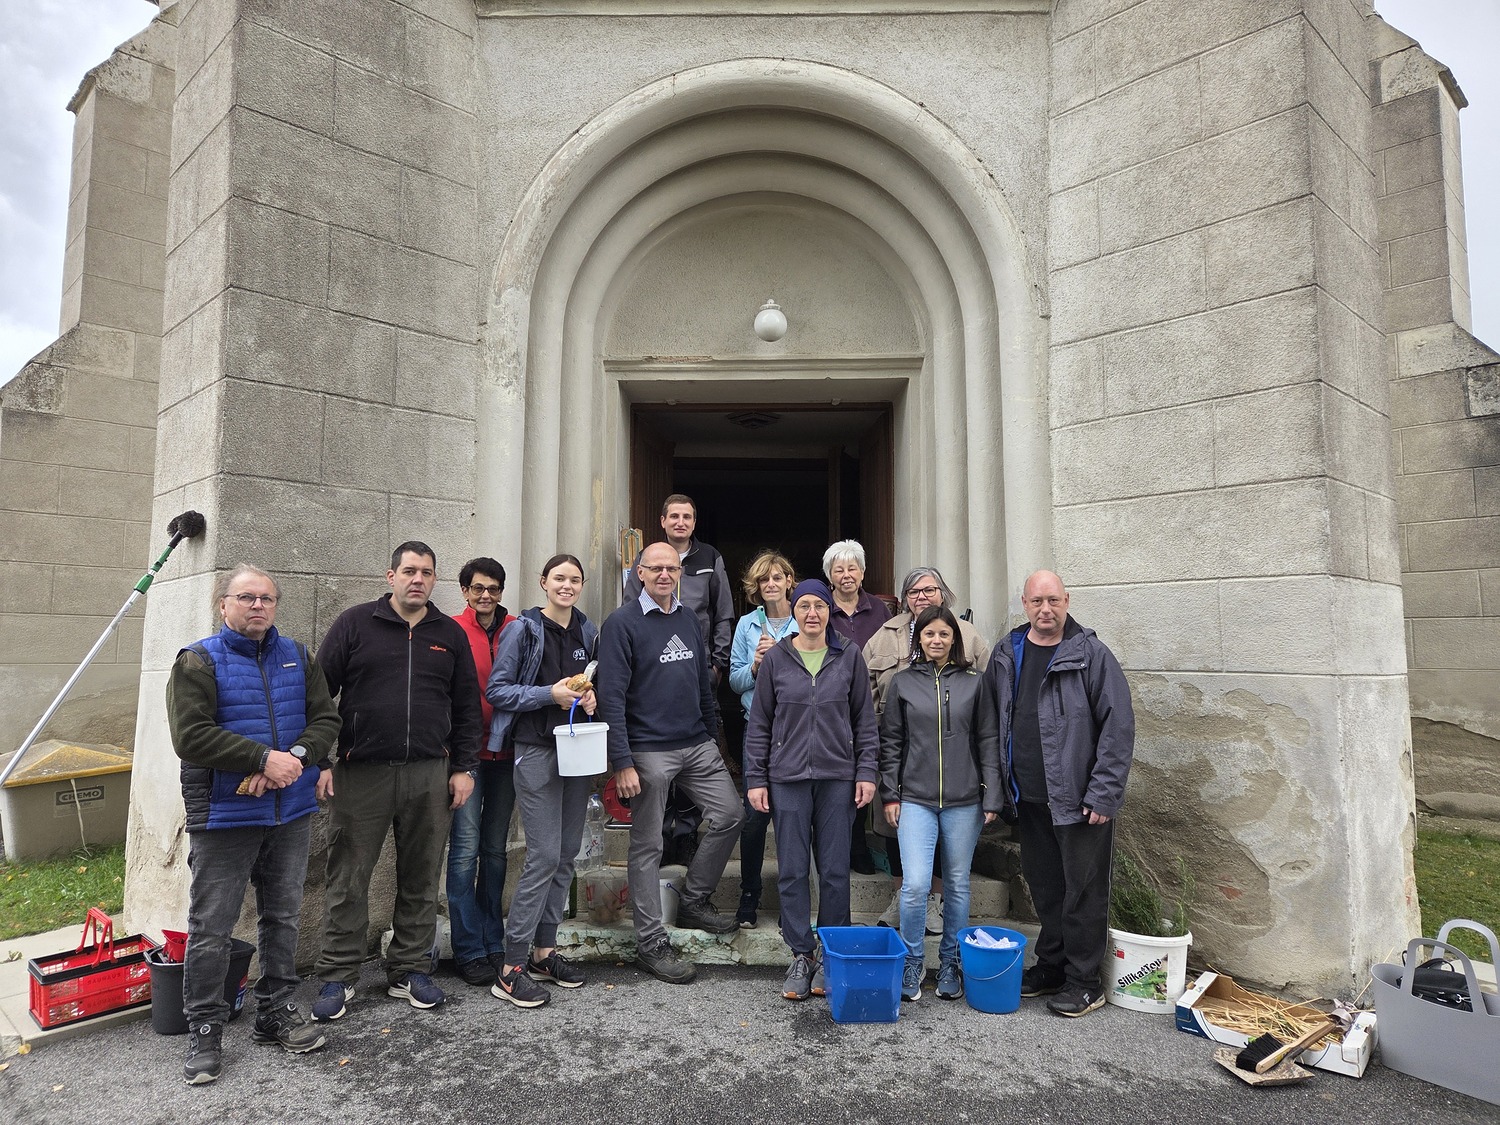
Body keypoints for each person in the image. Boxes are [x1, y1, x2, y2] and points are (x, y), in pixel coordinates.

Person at [168, 565, 341, 1085]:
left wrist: (294, 758)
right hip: (225, 814)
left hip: (289, 811)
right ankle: (205, 1027)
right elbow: (190, 736)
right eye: (247, 598)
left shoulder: (298, 655)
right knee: (212, 926)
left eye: (267, 598)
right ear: (224, 604)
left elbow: (325, 719)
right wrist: (262, 758)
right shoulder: (198, 661)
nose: (258, 606)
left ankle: (275, 1010)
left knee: (282, 916)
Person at [312, 542, 482, 1020]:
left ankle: (409, 968)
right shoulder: (354, 624)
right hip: (361, 772)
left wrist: (464, 768)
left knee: (422, 876)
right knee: (349, 875)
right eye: (409, 571)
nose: (417, 579)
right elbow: (318, 696)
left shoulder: (448, 634)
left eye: (426, 572)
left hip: (430, 773)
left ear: (434, 580)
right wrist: (318, 761)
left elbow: (467, 707)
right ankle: (338, 974)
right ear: (391, 576)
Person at [987, 569, 1134, 1018]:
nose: (1045, 609)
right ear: (1024, 604)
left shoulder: (1091, 655)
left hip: (1079, 799)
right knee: (1047, 887)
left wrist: (1103, 793)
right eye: (1037, 601)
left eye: (1053, 600)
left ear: (1067, 600)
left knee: (1083, 892)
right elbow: (994, 722)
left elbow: (1118, 727)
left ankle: (1084, 981)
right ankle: (1051, 966)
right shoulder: (1007, 653)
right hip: (1029, 796)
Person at [598, 541, 745, 984]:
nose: (664, 574)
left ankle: (694, 900)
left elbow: (702, 683)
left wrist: (712, 738)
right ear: (639, 573)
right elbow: (611, 696)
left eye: (672, 568)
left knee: (731, 814)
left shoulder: (687, 619)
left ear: (680, 573)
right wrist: (621, 761)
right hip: (647, 750)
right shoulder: (621, 624)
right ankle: (650, 942)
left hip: (695, 743)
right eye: (655, 568)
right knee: (648, 846)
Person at [744, 579, 878, 1001]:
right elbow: (760, 725)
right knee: (792, 869)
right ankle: (801, 953)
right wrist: (756, 779)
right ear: (794, 612)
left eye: (819, 606)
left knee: (835, 870)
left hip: (838, 777)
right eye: (803, 606)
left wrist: (866, 772)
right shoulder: (777, 659)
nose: (812, 614)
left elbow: (865, 721)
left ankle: (831, 953)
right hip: (787, 779)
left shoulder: (849, 656)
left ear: (828, 611)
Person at [484, 553, 598, 1008]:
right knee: (544, 855)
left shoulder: (587, 630)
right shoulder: (523, 629)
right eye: (559, 578)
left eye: (575, 579)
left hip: (576, 748)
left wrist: (588, 699)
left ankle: (543, 953)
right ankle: (511, 967)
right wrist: (549, 694)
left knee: (566, 854)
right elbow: (497, 690)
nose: (567, 586)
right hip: (534, 749)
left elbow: (585, 685)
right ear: (543, 582)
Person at [878, 605, 1003, 1002]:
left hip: (964, 800)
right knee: (915, 885)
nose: (936, 640)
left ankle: (951, 961)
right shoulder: (903, 682)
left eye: (944, 634)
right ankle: (913, 960)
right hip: (915, 798)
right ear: (919, 638)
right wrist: (889, 793)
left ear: (954, 639)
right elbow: (891, 742)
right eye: (929, 633)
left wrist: (992, 793)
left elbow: (988, 739)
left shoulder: (975, 682)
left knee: (958, 885)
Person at [864, 566, 992, 930]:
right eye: (914, 591)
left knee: (945, 837)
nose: (922, 596)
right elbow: (865, 690)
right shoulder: (884, 635)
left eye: (929, 590)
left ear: (943, 594)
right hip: (896, 749)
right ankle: (902, 896)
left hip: (953, 758)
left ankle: (933, 900)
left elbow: (986, 690)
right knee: (894, 828)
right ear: (905, 598)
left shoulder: (967, 634)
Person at [622, 494, 736, 866]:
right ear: (663, 521)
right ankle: (660, 835)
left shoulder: (710, 558)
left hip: (698, 671)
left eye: (687, 516)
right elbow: (629, 609)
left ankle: (686, 833)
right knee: (657, 765)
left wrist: (717, 665)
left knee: (695, 755)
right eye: (674, 516)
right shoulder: (646, 559)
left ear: (694, 522)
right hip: (654, 676)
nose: (680, 522)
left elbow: (723, 614)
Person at [447, 557, 518, 986]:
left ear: (502, 591)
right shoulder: (452, 629)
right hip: (467, 758)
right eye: (478, 588)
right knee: (464, 851)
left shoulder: (518, 629)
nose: (486, 595)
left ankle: (494, 940)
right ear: (465, 591)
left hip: (508, 755)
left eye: (493, 588)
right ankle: (469, 947)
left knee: (494, 850)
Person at [726, 550, 799, 928]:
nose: (770, 584)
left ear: (789, 581)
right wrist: (755, 666)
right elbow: (734, 682)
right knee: (754, 818)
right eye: (763, 579)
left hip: (797, 732)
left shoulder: (806, 618)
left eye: (777, 577)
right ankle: (749, 894)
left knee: (790, 816)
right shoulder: (746, 625)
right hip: (757, 729)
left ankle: (792, 901)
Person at [823, 539, 891, 875]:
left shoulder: (879, 610)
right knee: (839, 777)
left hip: (871, 704)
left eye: (852, 568)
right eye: (839, 570)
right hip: (833, 705)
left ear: (862, 573)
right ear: (830, 576)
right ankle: (847, 845)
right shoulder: (821, 608)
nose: (846, 575)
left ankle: (862, 844)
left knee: (867, 771)